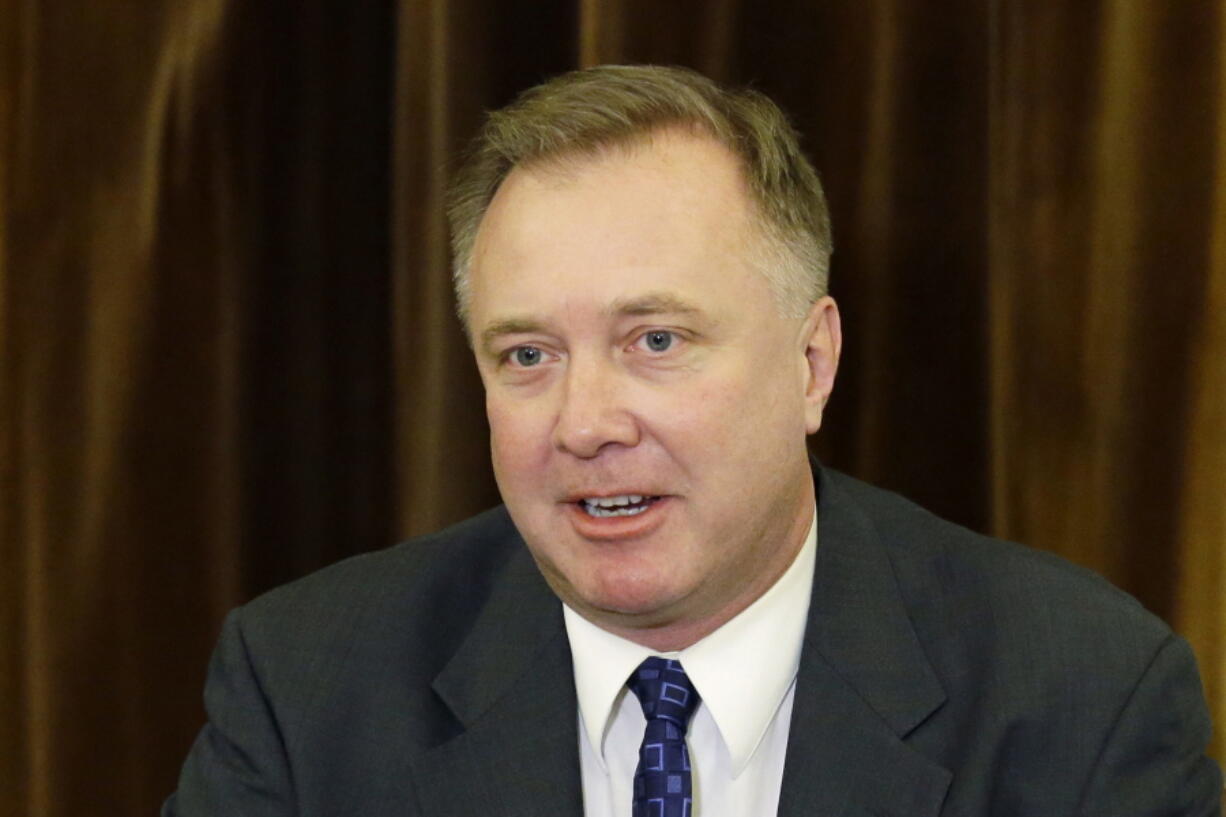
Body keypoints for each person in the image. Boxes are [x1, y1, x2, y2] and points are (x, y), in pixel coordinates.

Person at [164, 65, 1222, 816]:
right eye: (526, 355)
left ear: (810, 364)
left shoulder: (1080, 701)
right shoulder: (306, 691)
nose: (584, 423)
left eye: (654, 339)